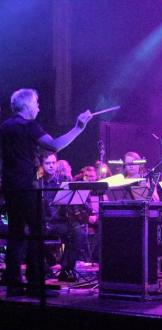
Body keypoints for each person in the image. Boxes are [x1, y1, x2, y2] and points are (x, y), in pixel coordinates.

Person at [0, 88, 91, 296]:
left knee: (16, 234)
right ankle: (34, 284)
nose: (39, 106)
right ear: (27, 105)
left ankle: (14, 285)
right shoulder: (29, 126)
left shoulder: (5, 126)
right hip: (27, 186)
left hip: (10, 185)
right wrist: (79, 127)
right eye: (37, 102)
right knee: (37, 232)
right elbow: (54, 146)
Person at [40, 153, 90, 282]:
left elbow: (74, 201)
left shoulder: (63, 181)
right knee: (32, 234)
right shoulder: (38, 183)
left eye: (53, 162)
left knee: (78, 233)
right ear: (41, 165)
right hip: (44, 222)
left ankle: (67, 269)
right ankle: (47, 268)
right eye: (47, 163)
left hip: (60, 222)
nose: (51, 165)